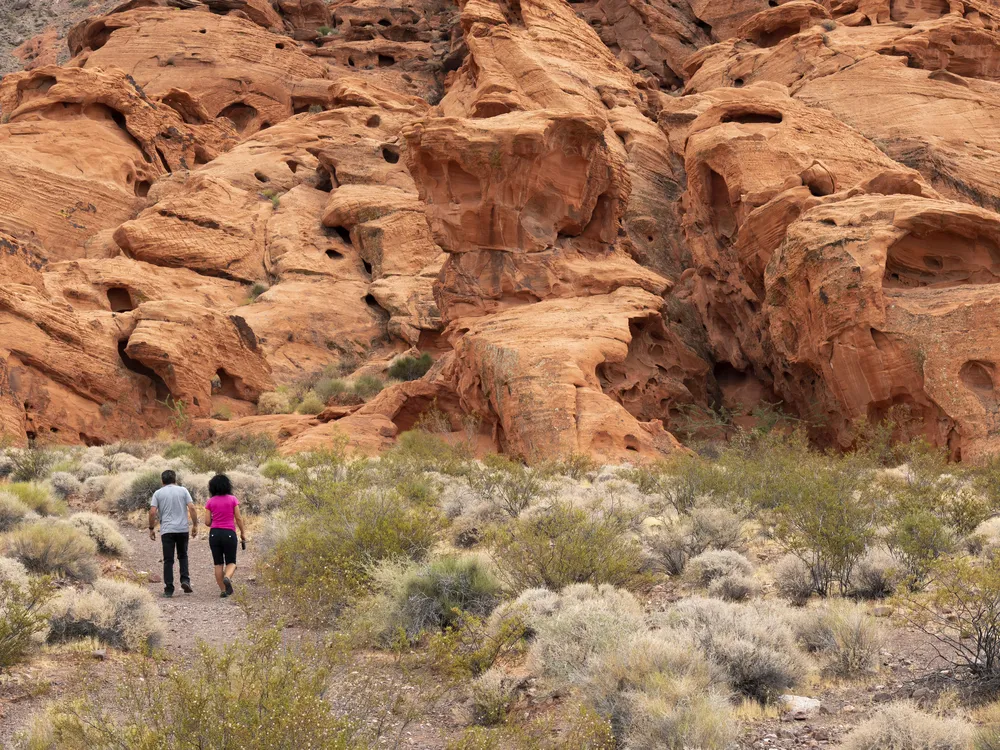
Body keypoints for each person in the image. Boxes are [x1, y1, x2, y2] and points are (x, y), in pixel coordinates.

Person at [149, 470, 198, 598]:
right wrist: (195, 525)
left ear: (162, 480)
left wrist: (151, 528)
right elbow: (192, 507)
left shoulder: (158, 493)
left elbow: (152, 512)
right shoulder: (183, 491)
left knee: (168, 560)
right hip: (182, 529)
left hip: (167, 530)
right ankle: (185, 580)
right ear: (175, 479)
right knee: (183, 556)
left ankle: (169, 588)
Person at [203, 474, 246, 598]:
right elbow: (238, 517)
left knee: (218, 563)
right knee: (231, 562)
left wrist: (214, 520)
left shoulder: (210, 501)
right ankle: (227, 577)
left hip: (214, 534)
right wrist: (243, 532)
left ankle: (223, 590)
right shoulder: (232, 499)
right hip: (229, 533)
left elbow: (207, 522)